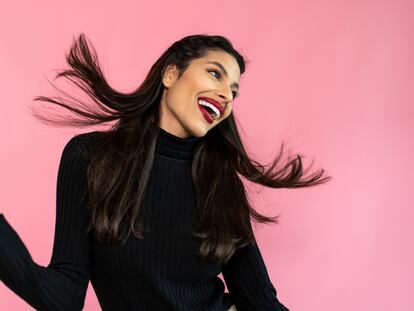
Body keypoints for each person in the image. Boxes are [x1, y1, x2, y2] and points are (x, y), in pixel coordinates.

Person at [0, 33, 331, 310]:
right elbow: (64, 297)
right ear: (170, 74)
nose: (225, 96)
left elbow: (260, 302)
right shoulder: (89, 158)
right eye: (215, 74)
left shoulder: (221, 183)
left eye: (233, 91)